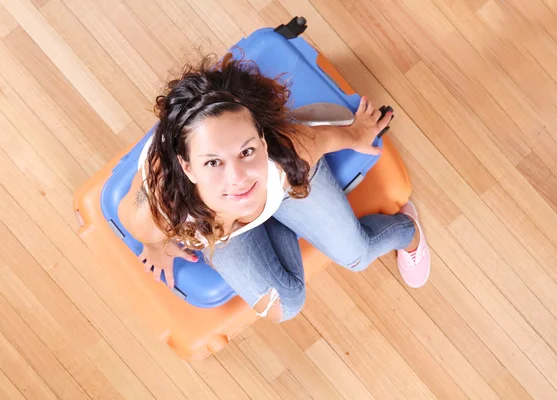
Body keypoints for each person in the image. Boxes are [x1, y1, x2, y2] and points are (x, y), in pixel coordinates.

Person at [118, 54, 430, 323]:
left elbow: (327, 139)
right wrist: (155, 245)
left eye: (246, 151)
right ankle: (277, 219)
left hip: (281, 185)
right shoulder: (160, 211)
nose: (238, 178)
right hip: (221, 227)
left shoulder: (289, 151)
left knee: (357, 256)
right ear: (188, 167)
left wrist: (357, 133)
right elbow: (141, 224)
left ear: (262, 142)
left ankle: (408, 230)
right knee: (284, 307)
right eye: (213, 163)